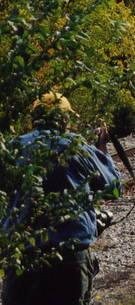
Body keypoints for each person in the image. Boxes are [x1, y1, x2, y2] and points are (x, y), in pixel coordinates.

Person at [1, 92, 122, 305]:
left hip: (21, 260)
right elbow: (113, 189)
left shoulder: (13, 149)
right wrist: (101, 148)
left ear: (34, 119)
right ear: (64, 119)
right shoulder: (77, 147)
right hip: (69, 260)